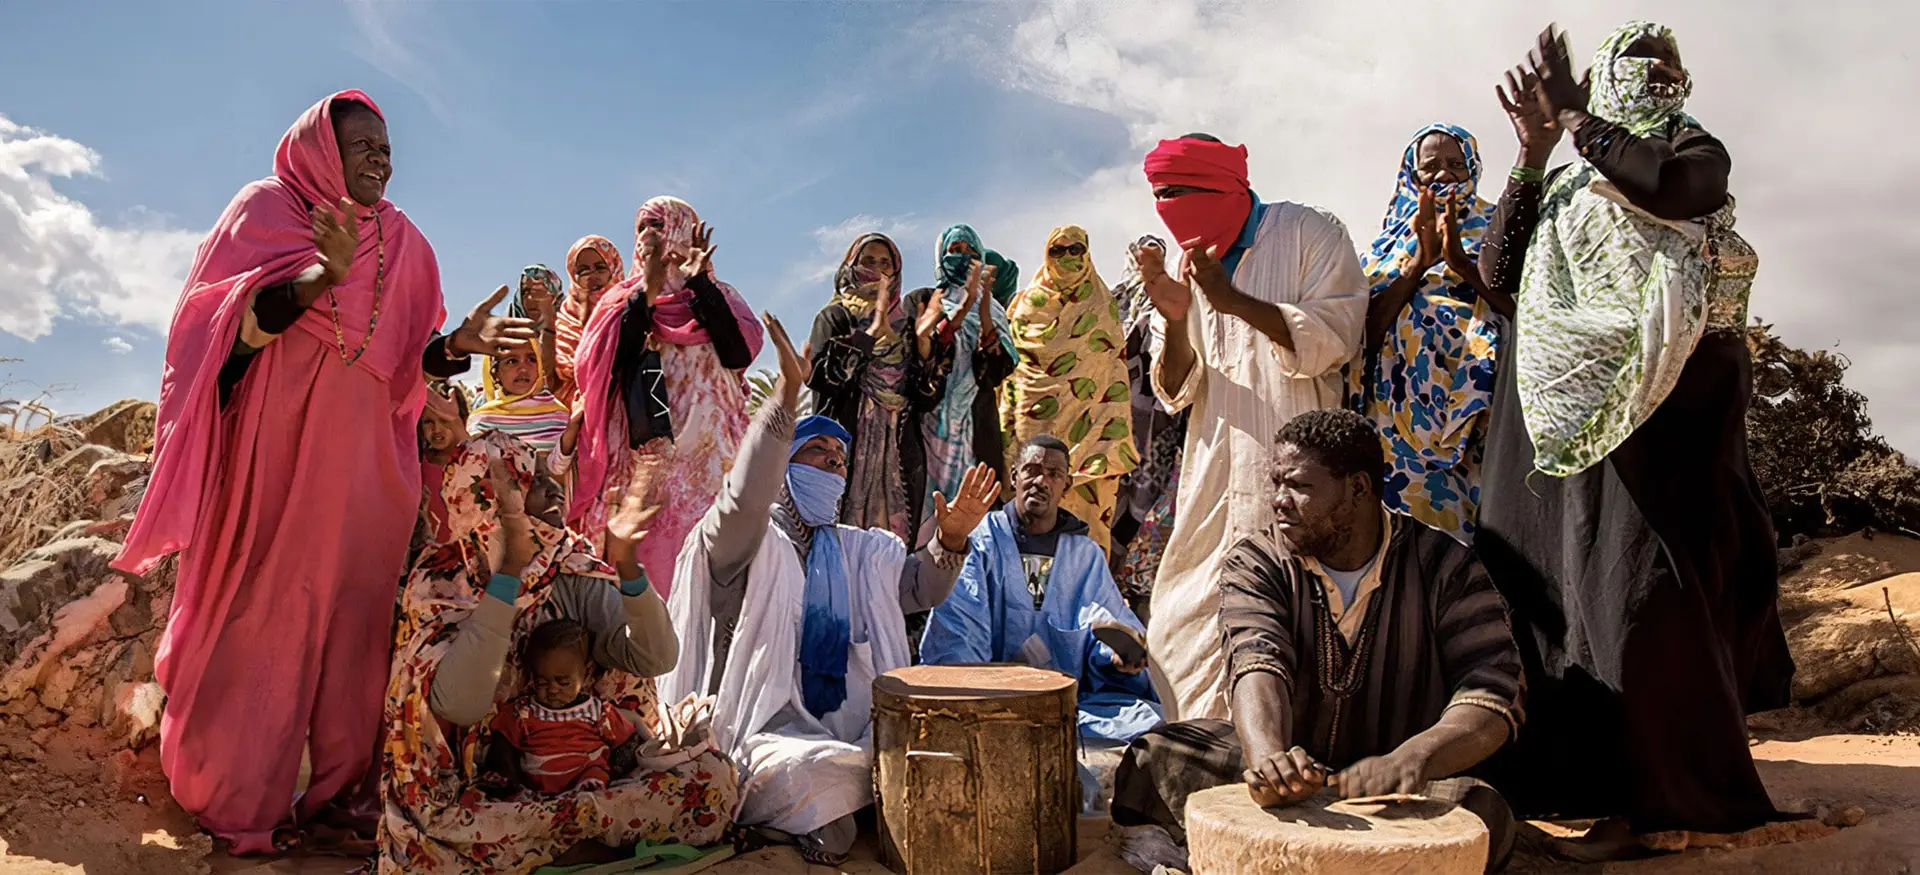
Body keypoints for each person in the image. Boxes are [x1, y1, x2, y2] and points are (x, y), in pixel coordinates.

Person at [111, 90, 534, 853]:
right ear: (319, 149)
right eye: (365, 144)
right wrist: (316, 274)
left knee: (355, 631)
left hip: (371, 466)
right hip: (277, 452)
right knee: (263, 614)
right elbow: (226, 339)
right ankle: (237, 798)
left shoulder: (409, 243)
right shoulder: (268, 209)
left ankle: (339, 802)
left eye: (387, 146)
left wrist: (454, 347)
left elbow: (410, 359)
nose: (383, 157)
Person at [1472, 23, 1789, 850]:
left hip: (1672, 417)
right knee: (1561, 604)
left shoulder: (1690, 148)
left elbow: (1675, 190)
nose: (1659, 75)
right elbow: (1499, 277)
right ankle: (1583, 784)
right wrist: (1536, 153)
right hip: (1566, 419)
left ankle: (1672, 803)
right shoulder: (1573, 185)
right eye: (1640, 63)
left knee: (1649, 598)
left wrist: (1582, 120)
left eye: (1671, 64)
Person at [1110, 410, 1523, 874]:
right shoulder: (1258, 561)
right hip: (1295, 774)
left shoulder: (1446, 566)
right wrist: (1268, 760)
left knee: (1483, 810)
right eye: (1276, 483)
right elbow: (1256, 661)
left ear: (1359, 489)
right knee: (1160, 752)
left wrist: (1412, 760)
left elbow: (1492, 691)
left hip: (1398, 791)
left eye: (1300, 486)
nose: (1279, 501)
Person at [662, 315, 999, 866]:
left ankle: (827, 809)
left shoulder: (860, 549)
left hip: (850, 727)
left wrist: (953, 537)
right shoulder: (746, 541)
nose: (835, 467)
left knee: (903, 752)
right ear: (785, 466)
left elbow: (918, 589)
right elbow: (744, 497)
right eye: (818, 453)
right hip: (760, 730)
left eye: (841, 461)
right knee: (809, 771)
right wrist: (786, 402)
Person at [382, 430, 735, 872]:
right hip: (487, 786)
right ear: (487, 501)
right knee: (440, 835)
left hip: (589, 771)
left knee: (712, 784)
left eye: (548, 476)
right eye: (529, 480)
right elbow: (462, 705)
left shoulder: (568, 568)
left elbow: (654, 659)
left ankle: (566, 844)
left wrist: (626, 565)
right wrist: (507, 579)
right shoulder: (439, 586)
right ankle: (586, 844)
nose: (553, 487)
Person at [1136, 133, 1369, 721]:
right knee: (1181, 623)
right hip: (1215, 468)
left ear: (1226, 184)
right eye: (1161, 196)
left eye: (1180, 191)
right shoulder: (1187, 265)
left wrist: (1230, 298)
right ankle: (1205, 762)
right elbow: (1177, 388)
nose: (1170, 207)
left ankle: (1288, 758)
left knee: (1299, 616)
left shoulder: (1309, 233)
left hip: (1299, 466)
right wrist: (1179, 315)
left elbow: (1333, 338)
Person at [568, 198, 764, 594]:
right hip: (649, 462)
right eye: (642, 226)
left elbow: (739, 353)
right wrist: (649, 291)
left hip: (712, 462)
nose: (649, 235)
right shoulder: (620, 299)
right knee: (655, 568)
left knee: (715, 571)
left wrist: (700, 286)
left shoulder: (716, 292)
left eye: (659, 224)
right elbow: (602, 366)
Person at [920, 433, 1161, 746]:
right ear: (1015, 476)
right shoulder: (980, 542)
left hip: (1070, 710)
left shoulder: (1084, 554)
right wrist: (982, 697)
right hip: (994, 706)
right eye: (1031, 470)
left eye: (1054, 474)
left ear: (1066, 486)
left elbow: (1103, 615)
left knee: (1150, 721)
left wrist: (1117, 654)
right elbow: (960, 628)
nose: (1041, 481)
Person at [1348, 124, 1503, 542]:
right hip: (1398, 424)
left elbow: (1516, 304)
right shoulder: (1384, 246)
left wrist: (1460, 263)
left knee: (1491, 525)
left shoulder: (1497, 227)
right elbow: (1362, 333)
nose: (1443, 175)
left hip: (1480, 405)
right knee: (1415, 541)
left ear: (1473, 168)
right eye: (1430, 165)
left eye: (1455, 164)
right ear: (1410, 175)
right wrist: (1418, 263)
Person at [1001, 225, 1137, 554]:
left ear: (1086, 253)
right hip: (1032, 431)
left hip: (1091, 436)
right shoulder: (1025, 305)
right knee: (1027, 531)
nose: (1066, 257)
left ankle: (1083, 599)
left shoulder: (1102, 306)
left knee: (1084, 536)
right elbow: (1012, 374)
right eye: (1057, 251)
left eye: (1074, 250)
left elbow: (1110, 371)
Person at [806, 232, 949, 542]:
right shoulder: (834, 317)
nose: (877, 269)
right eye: (868, 261)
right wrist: (869, 334)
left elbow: (926, 400)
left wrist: (924, 345)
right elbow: (823, 380)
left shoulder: (908, 328)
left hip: (900, 452)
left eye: (885, 263)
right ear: (850, 265)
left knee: (893, 553)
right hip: (845, 446)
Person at [913, 223, 1016, 546]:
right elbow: (920, 357)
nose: (962, 258)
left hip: (976, 425)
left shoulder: (995, 309)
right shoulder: (926, 300)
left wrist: (982, 306)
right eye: (955, 251)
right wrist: (957, 311)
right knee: (930, 506)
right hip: (931, 420)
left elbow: (995, 370)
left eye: (970, 253)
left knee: (977, 513)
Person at [1108, 235, 1187, 619]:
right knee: (1112, 507)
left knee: (1151, 507)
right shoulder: (1109, 301)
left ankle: (1143, 616)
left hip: (1160, 424)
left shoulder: (1172, 296)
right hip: (1115, 423)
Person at [482, 619, 644, 798]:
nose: (552, 690)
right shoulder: (523, 712)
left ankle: (588, 790)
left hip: (589, 781)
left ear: (587, 673)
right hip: (536, 791)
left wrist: (620, 772)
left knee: (594, 774)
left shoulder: (599, 712)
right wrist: (505, 774)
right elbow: (502, 744)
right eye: (542, 682)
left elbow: (627, 742)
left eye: (564, 682)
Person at [469, 268, 572, 455]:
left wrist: (549, 328)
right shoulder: (505, 334)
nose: (533, 299)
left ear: (555, 297)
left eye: (541, 292)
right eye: (527, 292)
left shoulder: (571, 332)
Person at [553, 236, 627, 405]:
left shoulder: (628, 309)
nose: (592, 275)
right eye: (583, 270)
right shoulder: (563, 318)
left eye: (600, 268)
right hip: (567, 415)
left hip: (618, 407)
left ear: (613, 268)